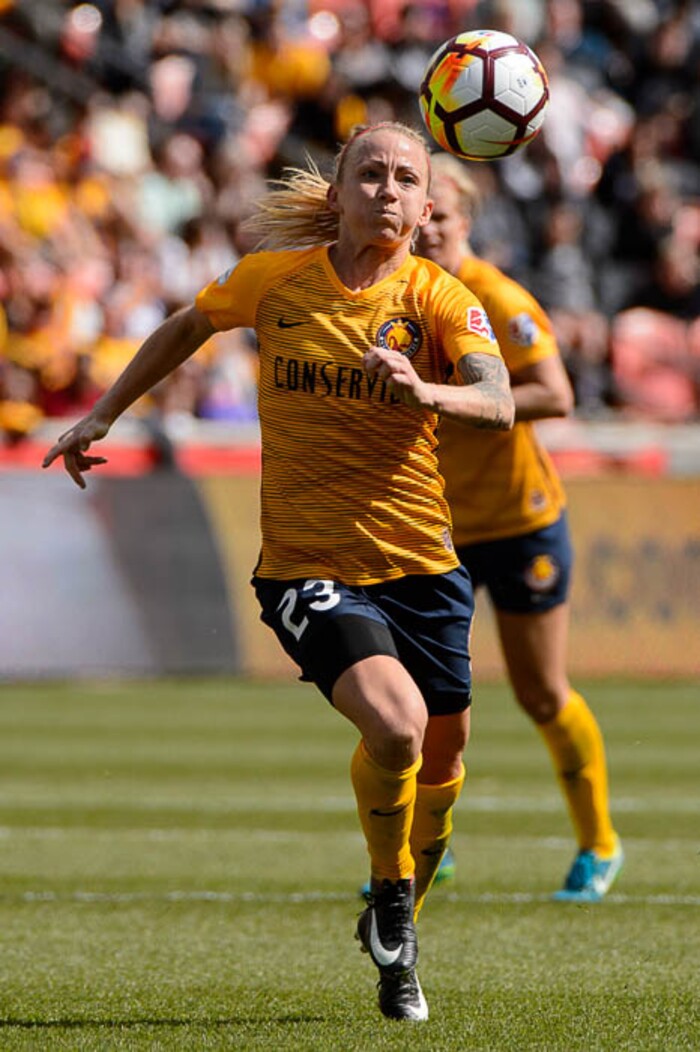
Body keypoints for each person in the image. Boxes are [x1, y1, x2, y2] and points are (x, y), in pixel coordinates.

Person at [42, 122, 515, 1023]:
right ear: (336, 193)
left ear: (424, 205)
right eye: (368, 173)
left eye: (404, 178)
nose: (386, 189)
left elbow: (495, 398)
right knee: (400, 729)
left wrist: (427, 391)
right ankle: (391, 901)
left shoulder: (442, 300)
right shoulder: (274, 282)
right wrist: (102, 414)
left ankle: (403, 900)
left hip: (422, 566)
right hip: (307, 564)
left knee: (443, 766)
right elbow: (188, 323)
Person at [416, 152, 623, 902]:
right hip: (438, 524)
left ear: (464, 220)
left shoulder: (496, 297)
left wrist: (442, 396)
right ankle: (430, 847)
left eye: (442, 213)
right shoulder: (404, 296)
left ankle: (599, 843)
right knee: (422, 699)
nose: (430, 224)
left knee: (540, 691)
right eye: (422, 214)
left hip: (520, 520)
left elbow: (554, 393)